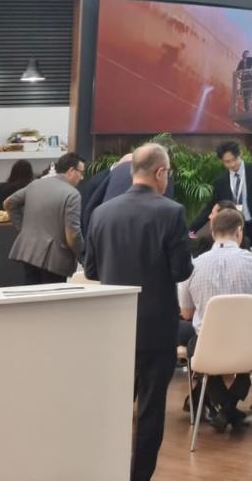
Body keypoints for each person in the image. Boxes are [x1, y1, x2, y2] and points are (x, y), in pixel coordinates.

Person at [84, 144, 193, 481]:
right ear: (160, 172)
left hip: (115, 325)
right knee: (150, 410)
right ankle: (140, 476)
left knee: (113, 407)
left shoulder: (102, 213)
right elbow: (181, 271)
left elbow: (91, 270)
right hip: (157, 328)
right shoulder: (171, 212)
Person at [179, 207, 252, 431]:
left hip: (208, 345)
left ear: (213, 233)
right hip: (247, 345)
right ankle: (230, 407)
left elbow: (186, 313)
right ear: (239, 232)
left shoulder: (193, 266)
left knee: (194, 346)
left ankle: (224, 406)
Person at [6, 151, 86, 284]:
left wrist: (22, 228)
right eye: (81, 172)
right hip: (56, 259)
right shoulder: (72, 194)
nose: (82, 177)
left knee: (31, 292)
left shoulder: (36, 184)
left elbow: (9, 203)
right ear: (71, 171)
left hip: (28, 252)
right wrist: (83, 257)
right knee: (52, 296)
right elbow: (72, 234)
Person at [195, 141, 252, 249]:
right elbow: (210, 207)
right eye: (227, 162)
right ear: (222, 161)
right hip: (233, 230)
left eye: (234, 160)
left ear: (240, 154)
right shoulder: (221, 182)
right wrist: (192, 229)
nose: (232, 164)